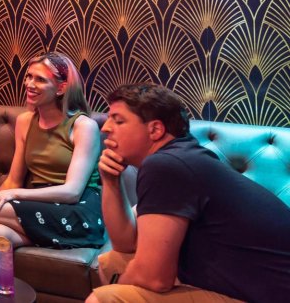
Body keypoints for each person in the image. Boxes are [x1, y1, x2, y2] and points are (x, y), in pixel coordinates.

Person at [88, 84, 290, 303]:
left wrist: (118, 284)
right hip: (244, 283)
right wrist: (110, 181)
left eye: (118, 120)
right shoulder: (181, 157)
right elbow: (125, 243)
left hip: (268, 295)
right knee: (113, 261)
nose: (105, 128)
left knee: (103, 299)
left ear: (155, 130)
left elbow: (155, 278)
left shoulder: (167, 165)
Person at [0, 52, 104, 267]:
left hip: (77, 212)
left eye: (40, 79)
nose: (30, 84)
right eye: (29, 76)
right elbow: (13, 180)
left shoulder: (83, 126)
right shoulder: (25, 121)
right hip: (39, 205)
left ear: (61, 88)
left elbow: (72, 192)